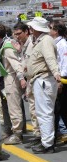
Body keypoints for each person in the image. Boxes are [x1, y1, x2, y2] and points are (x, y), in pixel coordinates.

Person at [27, 17, 61, 153]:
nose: (30, 30)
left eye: (31, 27)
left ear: (35, 28)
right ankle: (47, 141)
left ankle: (47, 144)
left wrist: (56, 73)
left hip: (44, 79)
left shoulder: (45, 40)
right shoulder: (41, 40)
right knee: (44, 113)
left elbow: (50, 58)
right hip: (41, 79)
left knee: (44, 113)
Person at [0, 23, 27, 145]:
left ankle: (17, 134)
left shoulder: (7, 46)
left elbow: (15, 63)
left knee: (14, 107)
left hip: (11, 79)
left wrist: (21, 78)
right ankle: (16, 131)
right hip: (8, 78)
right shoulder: (6, 44)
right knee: (13, 107)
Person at [12, 22, 41, 148]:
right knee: (33, 109)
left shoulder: (32, 44)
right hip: (29, 80)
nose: (17, 36)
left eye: (19, 34)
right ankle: (37, 135)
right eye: (15, 34)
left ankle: (41, 136)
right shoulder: (24, 45)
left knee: (37, 110)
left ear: (26, 32)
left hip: (35, 79)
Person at [49, 20, 67, 144]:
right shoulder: (56, 43)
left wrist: (61, 80)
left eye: (50, 28)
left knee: (62, 107)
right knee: (58, 107)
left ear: (55, 31)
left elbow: (64, 64)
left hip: (62, 79)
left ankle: (64, 132)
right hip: (57, 78)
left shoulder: (62, 44)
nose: (48, 31)